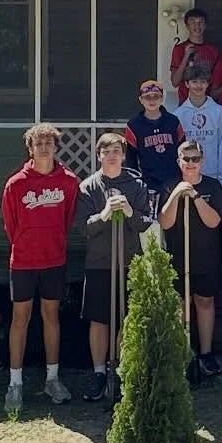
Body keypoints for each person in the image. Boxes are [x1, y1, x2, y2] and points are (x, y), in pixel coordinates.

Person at [0, 123, 78, 412]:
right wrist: (25, 243)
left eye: (49, 143)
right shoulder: (16, 184)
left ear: (56, 147)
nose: (44, 147)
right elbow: (11, 225)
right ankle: (15, 384)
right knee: (20, 318)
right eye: (38, 143)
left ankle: (52, 379)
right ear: (30, 148)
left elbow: (68, 218)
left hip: (54, 260)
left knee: (51, 316)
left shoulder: (69, 181)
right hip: (23, 261)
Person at [75, 131, 153, 400]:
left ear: (123, 155)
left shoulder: (136, 183)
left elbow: (145, 221)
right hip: (100, 263)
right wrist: (104, 214)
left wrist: (131, 212)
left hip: (130, 262)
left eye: (116, 151)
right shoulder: (88, 187)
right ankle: (99, 373)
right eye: (106, 151)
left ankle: (121, 370)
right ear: (99, 156)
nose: (112, 156)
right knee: (99, 320)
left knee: (127, 320)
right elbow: (83, 228)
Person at [158, 139, 222, 378]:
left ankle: (206, 354)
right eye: (185, 159)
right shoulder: (169, 185)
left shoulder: (213, 186)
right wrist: (176, 195)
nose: (190, 163)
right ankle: (182, 352)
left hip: (206, 257)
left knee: (204, 303)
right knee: (180, 306)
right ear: (178, 161)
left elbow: (214, 221)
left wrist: (195, 197)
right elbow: (165, 222)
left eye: (195, 159)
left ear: (202, 161)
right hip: (177, 256)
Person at [123, 80, 186, 197]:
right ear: (141, 100)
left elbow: (183, 151)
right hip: (148, 183)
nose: (152, 100)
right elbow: (130, 159)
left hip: (173, 180)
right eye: (147, 97)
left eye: (156, 97)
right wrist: (136, 182)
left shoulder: (173, 121)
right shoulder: (134, 125)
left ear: (162, 98)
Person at [177, 64, 222, 187]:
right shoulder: (179, 114)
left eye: (203, 82)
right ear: (187, 84)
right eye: (194, 82)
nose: (199, 86)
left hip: (213, 176)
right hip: (187, 177)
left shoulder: (218, 111)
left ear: (208, 84)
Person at [169, 8, 220, 104]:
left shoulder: (213, 51)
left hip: (207, 104)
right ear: (187, 26)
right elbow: (175, 82)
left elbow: (215, 82)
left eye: (200, 22)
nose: (197, 26)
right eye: (193, 22)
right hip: (186, 103)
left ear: (205, 26)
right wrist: (186, 56)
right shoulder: (179, 49)